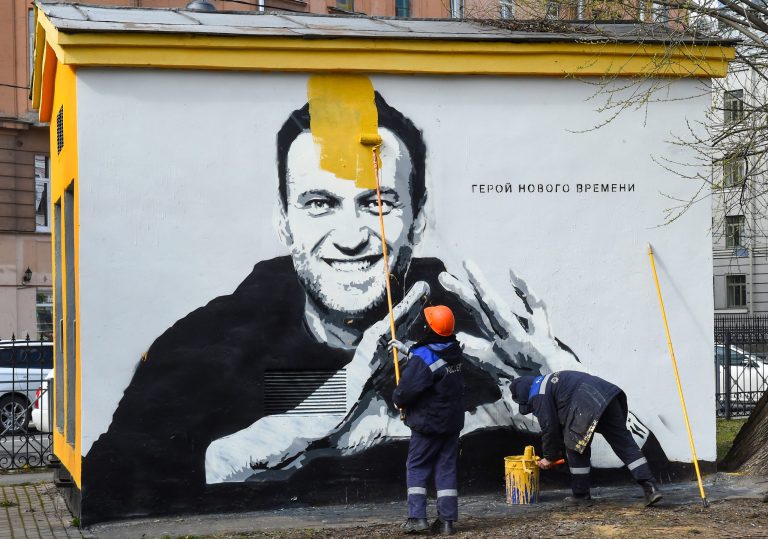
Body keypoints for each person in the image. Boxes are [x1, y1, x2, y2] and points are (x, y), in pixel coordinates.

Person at [81, 75, 667, 522]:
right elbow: (112, 482)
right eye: (318, 203)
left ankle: (426, 518)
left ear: (418, 220)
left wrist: (558, 371)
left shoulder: (491, 332)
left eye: (378, 203)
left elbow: (647, 453)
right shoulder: (207, 343)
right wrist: (318, 413)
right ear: (283, 222)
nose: (351, 235)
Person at [509, 371, 663, 506]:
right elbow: (558, 426)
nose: (531, 409)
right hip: (608, 395)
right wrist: (557, 453)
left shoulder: (537, 394)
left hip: (584, 401)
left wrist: (549, 457)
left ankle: (581, 495)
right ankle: (650, 488)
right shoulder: (549, 382)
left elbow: (550, 428)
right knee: (624, 444)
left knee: (575, 448)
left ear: (523, 394)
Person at [390, 305, 464, 536]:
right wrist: (408, 351)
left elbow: (408, 388)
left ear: (430, 327)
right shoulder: (455, 349)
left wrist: (398, 399)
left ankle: (417, 518)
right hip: (451, 423)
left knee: (417, 467)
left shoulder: (424, 356)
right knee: (446, 468)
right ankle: (446, 522)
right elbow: (434, 363)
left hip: (428, 424)